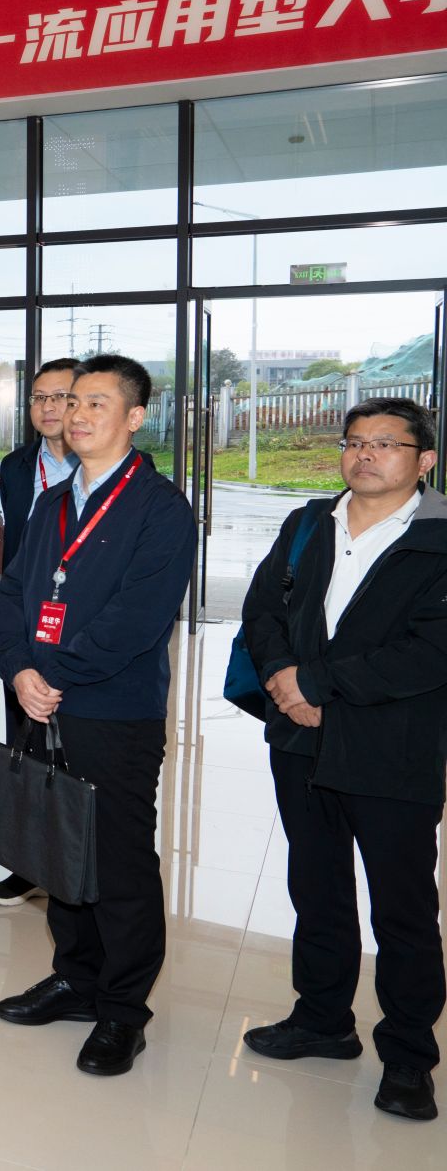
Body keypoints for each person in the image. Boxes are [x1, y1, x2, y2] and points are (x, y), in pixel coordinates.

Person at [239, 397, 445, 1122]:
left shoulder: (439, 539)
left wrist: (319, 684)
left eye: (386, 443)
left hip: (394, 748)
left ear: (424, 460)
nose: (365, 454)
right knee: (316, 884)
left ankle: (409, 1055)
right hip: (300, 739)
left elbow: (430, 650)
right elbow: (262, 610)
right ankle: (323, 1018)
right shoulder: (307, 524)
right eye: (355, 441)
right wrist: (282, 678)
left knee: (403, 905)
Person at [0, 353, 195, 1077]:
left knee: (117, 860)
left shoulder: (160, 507)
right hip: (40, 702)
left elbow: (136, 618)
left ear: (135, 417)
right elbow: (13, 594)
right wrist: (18, 668)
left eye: (96, 403)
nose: (76, 414)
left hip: (112, 711)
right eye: (72, 402)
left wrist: (53, 673)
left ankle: (122, 1009)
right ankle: (76, 978)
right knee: (59, 848)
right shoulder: (51, 501)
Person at [0, 356, 82, 907]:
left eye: (62, 396)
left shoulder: (107, 465)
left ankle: (74, 858)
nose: (49, 407)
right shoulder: (17, 466)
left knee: (78, 747)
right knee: (26, 738)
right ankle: (29, 862)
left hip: (83, 625)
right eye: (39, 397)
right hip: (28, 621)